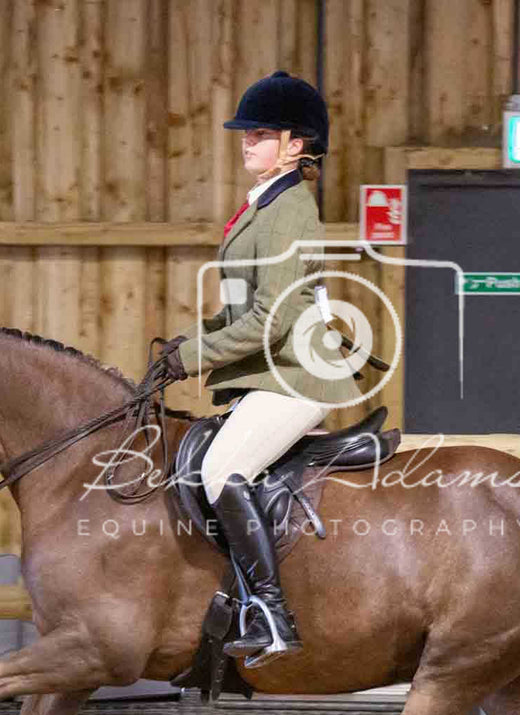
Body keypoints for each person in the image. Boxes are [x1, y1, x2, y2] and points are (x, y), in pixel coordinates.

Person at [149, 71, 361, 668]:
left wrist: (191, 359)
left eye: (260, 133)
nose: (246, 142)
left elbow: (273, 318)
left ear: (297, 144)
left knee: (221, 469)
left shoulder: (291, 207)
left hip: (298, 376)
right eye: (245, 133)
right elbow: (243, 307)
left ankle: (270, 611)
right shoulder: (262, 203)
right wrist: (184, 345)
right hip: (273, 374)